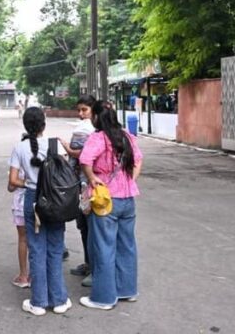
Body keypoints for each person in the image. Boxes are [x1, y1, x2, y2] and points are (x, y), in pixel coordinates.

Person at [79, 100, 143, 311]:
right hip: (128, 199)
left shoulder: (98, 138)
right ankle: (127, 290)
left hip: (106, 200)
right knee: (127, 245)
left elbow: (85, 160)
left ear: (96, 117)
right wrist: (130, 179)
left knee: (104, 247)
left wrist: (92, 178)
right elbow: (138, 160)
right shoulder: (126, 136)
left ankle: (104, 298)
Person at [8, 107, 71, 316]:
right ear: (44, 125)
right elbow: (65, 174)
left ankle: (38, 302)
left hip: (32, 200)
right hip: (54, 201)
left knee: (36, 249)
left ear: (26, 126)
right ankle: (59, 300)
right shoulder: (54, 145)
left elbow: (12, 181)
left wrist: (29, 183)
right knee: (55, 247)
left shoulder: (19, 148)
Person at [63, 94, 96, 279]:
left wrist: (69, 151)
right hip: (78, 185)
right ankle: (88, 263)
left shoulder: (96, 132)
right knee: (83, 226)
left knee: (92, 228)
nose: (81, 114)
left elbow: (84, 154)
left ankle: (95, 268)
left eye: (85, 110)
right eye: (79, 110)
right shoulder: (82, 128)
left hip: (90, 185)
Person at [8, 169, 29, 288]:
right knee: (37, 239)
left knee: (23, 239)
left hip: (20, 204)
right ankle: (37, 274)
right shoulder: (43, 153)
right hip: (40, 202)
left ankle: (23, 275)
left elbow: (11, 186)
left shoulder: (18, 156)